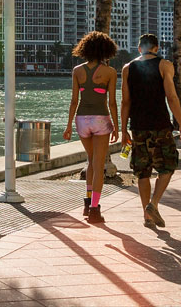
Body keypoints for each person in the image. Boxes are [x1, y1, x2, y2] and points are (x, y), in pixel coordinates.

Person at [120, 32, 181, 230]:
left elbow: (125, 102)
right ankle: (154, 204)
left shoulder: (127, 68)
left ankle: (147, 215)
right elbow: (172, 97)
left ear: (138, 48)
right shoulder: (165, 65)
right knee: (167, 167)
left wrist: (124, 129)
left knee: (143, 172)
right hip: (160, 125)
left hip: (138, 127)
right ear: (157, 48)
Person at [63, 31, 118, 223]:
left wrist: (69, 125)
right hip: (101, 120)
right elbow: (112, 103)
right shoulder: (110, 72)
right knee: (98, 163)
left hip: (82, 120)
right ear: (106, 50)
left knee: (90, 161)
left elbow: (73, 101)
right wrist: (117, 126)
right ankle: (94, 209)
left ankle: (87, 202)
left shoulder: (77, 71)